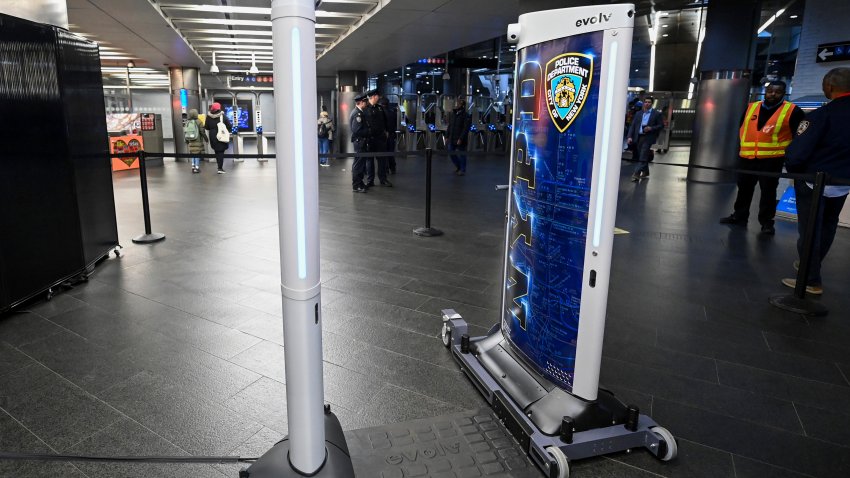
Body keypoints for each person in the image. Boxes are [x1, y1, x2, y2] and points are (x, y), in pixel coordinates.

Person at [781, 67, 850, 295]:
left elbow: (797, 153)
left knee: (810, 229)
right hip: (842, 183)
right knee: (828, 226)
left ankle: (810, 279)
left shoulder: (821, 115)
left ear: (829, 86)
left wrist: (796, 172)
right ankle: (810, 265)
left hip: (814, 181)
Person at [719, 81, 805, 235]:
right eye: (770, 91)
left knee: (768, 192)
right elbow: (742, 127)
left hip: (772, 160)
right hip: (747, 157)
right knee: (744, 189)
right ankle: (739, 216)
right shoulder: (752, 107)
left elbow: (799, 136)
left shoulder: (792, 110)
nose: (773, 94)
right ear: (766, 91)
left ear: (784, 93)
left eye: (777, 92)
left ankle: (766, 223)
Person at [626, 96, 664, 181]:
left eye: (649, 102)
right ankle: (646, 171)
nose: (647, 103)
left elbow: (661, 125)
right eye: (646, 102)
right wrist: (629, 137)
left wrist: (651, 128)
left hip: (648, 137)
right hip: (638, 137)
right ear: (643, 103)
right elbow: (633, 126)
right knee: (642, 155)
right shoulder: (638, 113)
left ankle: (636, 173)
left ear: (652, 103)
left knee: (643, 155)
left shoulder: (656, 114)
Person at [365, 89, 392, 187]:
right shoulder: (365, 109)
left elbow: (386, 121)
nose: (378, 98)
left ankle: (383, 179)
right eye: (377, 96)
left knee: (382, 160)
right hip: (370, 138)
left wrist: (387, 132)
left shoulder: (380, 108)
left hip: (380, 138)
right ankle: (370, 180)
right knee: (369, 160)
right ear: (372, 97)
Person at [349, 93, 370, 193]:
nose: (366, 103)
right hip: (359, 141)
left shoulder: (359, 112)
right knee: (358, 164)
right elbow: (356, 130)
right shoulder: (357, 114)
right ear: (361, 102)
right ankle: (356, 185)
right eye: (365, 101)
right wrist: (368, 132)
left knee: (361, 164)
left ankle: (360, 183)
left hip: (361, 141)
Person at [204, 102, 233, 174]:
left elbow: (207, 127)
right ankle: (220, 168)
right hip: (221, 135)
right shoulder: (223, 116)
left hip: (213, 136)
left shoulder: (208, 117)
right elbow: (229, 126)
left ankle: (219, 166)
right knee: (221, 152)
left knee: (217, 152)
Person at [446, 98, 471, 175]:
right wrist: (447, 136)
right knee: (451, 152)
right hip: (452, 137)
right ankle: (458, 166)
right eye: (456, 104)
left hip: (460, 139)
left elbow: (465, 128)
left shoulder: (466, 115)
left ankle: (462, 170)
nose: (456, 105)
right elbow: (450, 126)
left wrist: (461, 138)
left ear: (462, 106)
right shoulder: (453, 114)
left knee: (462, 154)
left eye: (458, 104)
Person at [184, 108, 208, 173]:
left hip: (190, 141)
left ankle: (193, 166)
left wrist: (186, 140)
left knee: (193, 154)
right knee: (197, 154)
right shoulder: (199, 121)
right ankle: (197, 168)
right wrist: (206, 139)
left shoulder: (187, 122)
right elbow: (202, 132)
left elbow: (185, 132)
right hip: (198, 140)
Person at [379, 96, 398, 174]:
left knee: (383, 153)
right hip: (392, 134)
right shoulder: (392, 113)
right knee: (391, 152)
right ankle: (392, 167)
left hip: (383, 136)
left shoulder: (380, 114)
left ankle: (385, 168)